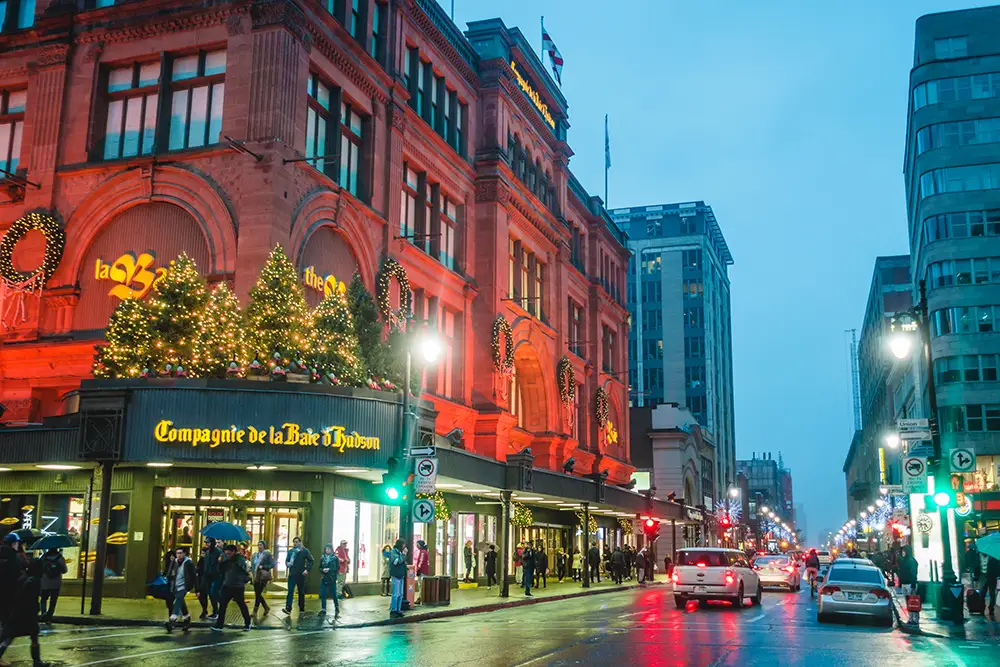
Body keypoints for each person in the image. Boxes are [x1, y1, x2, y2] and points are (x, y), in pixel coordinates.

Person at [0, 558, 43, 667]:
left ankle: (37, 661)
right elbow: (32, 599)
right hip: (27, 614)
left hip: (17, 612)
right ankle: (37, 661)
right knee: (33, 637)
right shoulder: (34, 580)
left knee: (10, 636)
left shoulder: (22, 577)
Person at [212, 543, 252, 632]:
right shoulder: (226, 560)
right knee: (222, 605)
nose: (227, 555)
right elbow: (221, 571)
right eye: (226, 554)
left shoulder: (240, 559)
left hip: (238, 586)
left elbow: (242, 569)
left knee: (241, 605)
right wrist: (220, 562)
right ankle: (219, 625)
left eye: (229, 554)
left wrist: (231, 562)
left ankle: (248, 623)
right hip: (227, 585)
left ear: (234, 552)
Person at [166, 546, 196, 632]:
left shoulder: (188, 563)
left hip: (184, 586)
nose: (178, 555)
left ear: (184, 554)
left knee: (178, 600)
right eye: (177, 553)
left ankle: (172, 620)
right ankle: (187, 619)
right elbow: (169, 573)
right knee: (181, 602)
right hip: (175, 586)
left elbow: (193, 576)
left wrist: (197, 589)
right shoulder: (174, 562)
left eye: (180, 553)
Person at [283, 536, 313, 615]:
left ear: (300, 542)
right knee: (290, 591)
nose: (295, 543)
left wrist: (307, 570)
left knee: (301, 592)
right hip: (292, 574)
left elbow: (311, 560)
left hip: (301, 574)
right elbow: (287, 561)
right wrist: (287, 564)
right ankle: (288, 608)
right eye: (294, 542)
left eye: (297, 542)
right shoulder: (291, 552)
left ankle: (302, 608)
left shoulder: (304, 551)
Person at [37, 547, 67, 624]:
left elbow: (39, 568)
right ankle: (49, 616)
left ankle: (44, 613)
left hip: (45, 582)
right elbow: (65, 570)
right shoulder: (60, 558)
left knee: (43, 599)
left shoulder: (43, 557)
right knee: (53, 601)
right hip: (56, 583)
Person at [250, 540, 274, 616]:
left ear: (264, 546)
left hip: (263, 577)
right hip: (255, 577)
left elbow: (272, 565)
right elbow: (253, 566)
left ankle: (255, 611)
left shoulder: (267, 554)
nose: (259, 546)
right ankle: (266, 607)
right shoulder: (255, 555)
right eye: (258, 545)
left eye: (261, 545)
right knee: (257, 594)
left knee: (258, 593)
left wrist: (263, 567)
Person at [201, 538, 222, 620]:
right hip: (208, 576)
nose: (207, 544)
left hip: (216, 575)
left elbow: (221, 563)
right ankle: (215, 611)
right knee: (210, 593)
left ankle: (217, 610)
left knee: (213, 592)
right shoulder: (207, 553)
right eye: (206, 543)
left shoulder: (218, 552)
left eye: (208, 543)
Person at [319, 544, 340, 617]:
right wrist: (322, 570)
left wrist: (330, 570)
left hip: (332, 579)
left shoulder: (335, 558)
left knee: (334, 594)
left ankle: (336, 607)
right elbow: (320, 567)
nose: (327, 550)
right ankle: (323, 609)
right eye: (326, 549)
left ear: (331, 550)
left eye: (328, 549)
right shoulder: (322, 558)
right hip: (324, 578)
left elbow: (337, 568)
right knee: (323, 594)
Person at [388, 539, 407, 618]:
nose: (404, 547)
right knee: (395, 594)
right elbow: (396, 561)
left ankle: (398, 610)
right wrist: (403, 554)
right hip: (396, 575)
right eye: (403, 545)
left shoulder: (399, 552)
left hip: (401, 575)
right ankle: (393, 610)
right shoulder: (393, 552)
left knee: (400, 594)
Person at [982, 553, 1000, 618]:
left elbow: (998, 569)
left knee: (992, 594)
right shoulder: (987, 557)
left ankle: (991, 608)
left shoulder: (996, 559)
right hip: (985, 578)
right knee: (983, 593)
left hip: (992, 578)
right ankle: (982, 607)